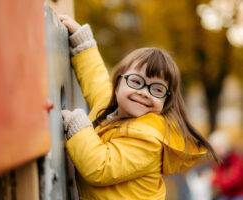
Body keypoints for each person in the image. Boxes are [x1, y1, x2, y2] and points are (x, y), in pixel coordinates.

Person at [58, 14, 219, 200]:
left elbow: (99, 168)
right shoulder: (109, 107)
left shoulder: (148, 139)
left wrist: (79, 127)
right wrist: (84, 44)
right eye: (136, 81)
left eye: (157, 89)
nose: (144, 92)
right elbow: (96, 80)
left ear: (165, 102)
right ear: (118, 83)